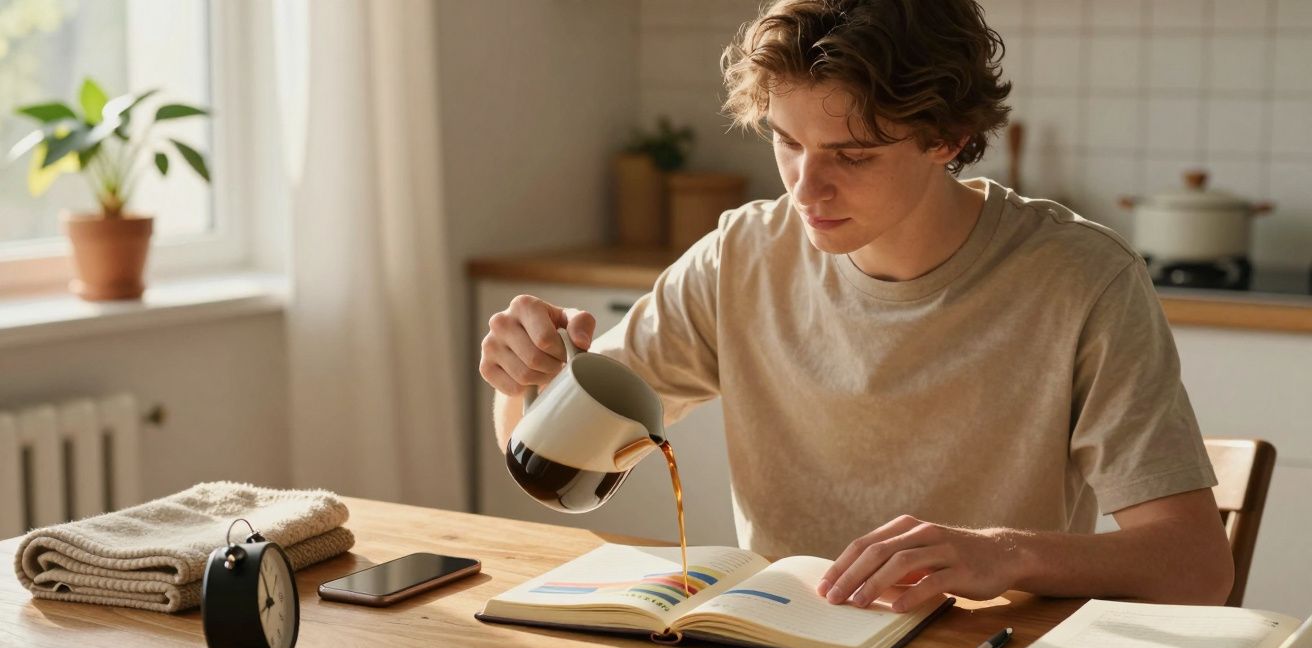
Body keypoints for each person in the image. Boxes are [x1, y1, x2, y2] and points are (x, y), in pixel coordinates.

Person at [478, 0, 1234, 611]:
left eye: (853, 155)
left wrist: (1001, 553)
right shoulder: (741, 257)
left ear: (949, 138)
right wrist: (526, 379)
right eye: (786, 143)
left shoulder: (1081, 280)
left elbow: (1196, 566)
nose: (805, 190)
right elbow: (551, 465)